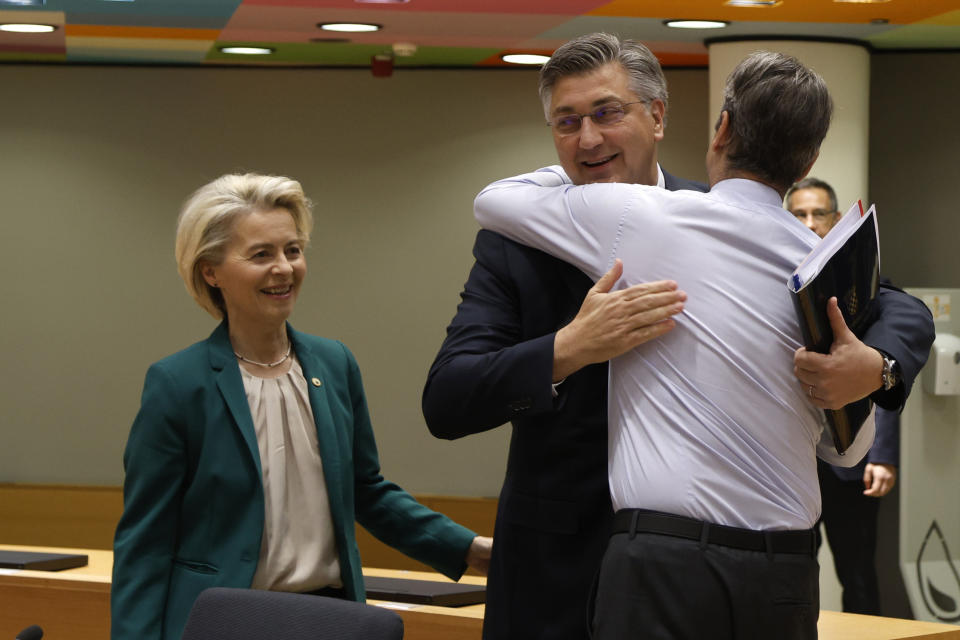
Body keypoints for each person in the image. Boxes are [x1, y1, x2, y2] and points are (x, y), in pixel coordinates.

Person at [424, 33, 933, 640]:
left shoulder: (716, 213)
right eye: (567, 121)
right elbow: (448, 398)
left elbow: (896, 304)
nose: (588, 139)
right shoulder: (517, 240)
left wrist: (878, 365)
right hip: (558, 574)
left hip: (719, 569)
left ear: (658, 115)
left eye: (607, 113)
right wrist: (570, 349)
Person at [111, 173, 491, 640]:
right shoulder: (177, 383)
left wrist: (469, 549)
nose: (284, 268)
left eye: (292, 250)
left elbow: (366, 491)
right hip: (222, 622)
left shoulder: (334, 363)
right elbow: (145, 542)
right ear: (211, 271)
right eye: (261, 255)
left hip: (327, 618)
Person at [787, 177, 900, 614]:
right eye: (800, 214)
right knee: (794, 575)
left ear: (835, 220)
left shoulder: (859, 277)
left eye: (819, 214)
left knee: (857, 574)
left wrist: (884, 455)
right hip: (791, 458)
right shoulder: (770, 275)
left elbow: (883, 365)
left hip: (853, 457)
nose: (811, 223)